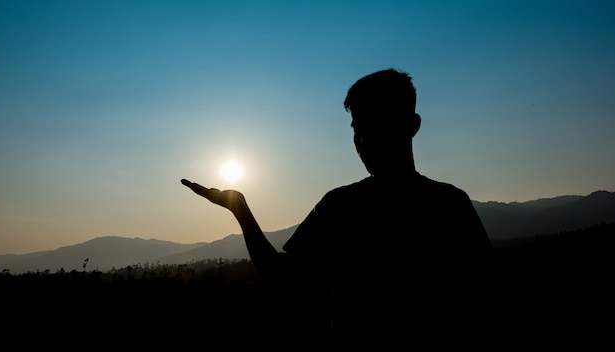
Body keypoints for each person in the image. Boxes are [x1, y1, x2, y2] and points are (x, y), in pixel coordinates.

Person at [181, 68, 493, 350]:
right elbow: (285, 276)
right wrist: (240, 209)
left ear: (412, 125)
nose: (363, 140)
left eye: (376, 124)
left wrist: (241, 211)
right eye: (358, 128)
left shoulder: (352, 206)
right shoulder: (443, 203)